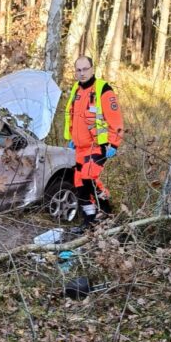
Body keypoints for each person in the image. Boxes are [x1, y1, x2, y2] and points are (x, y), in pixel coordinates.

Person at [63, 56, 124, 231]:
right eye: (78, 70)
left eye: (85, 69)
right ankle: (89, 220)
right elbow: (73, 116)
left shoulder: (103, 90)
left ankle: (106, 211)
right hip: (80, 147)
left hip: (98, 145)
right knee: (79, 183)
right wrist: (72, 138)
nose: (82, 73)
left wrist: (113, 144)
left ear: (92, 69)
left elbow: (116, 120)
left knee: (89, 177)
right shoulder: (76, 89)